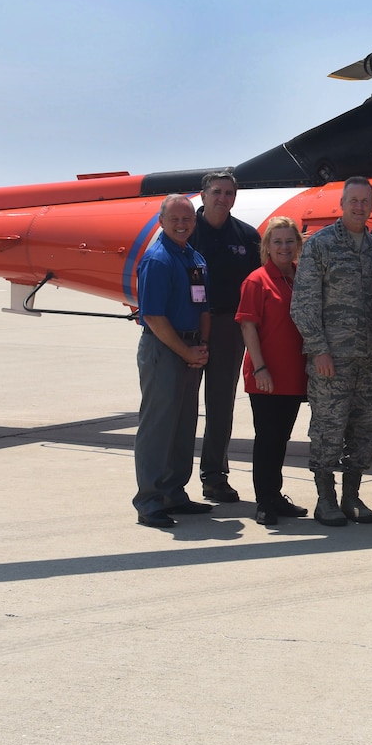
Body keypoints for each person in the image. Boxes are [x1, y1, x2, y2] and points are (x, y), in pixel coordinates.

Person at [293, 177, 372, 526]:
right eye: (354, 200)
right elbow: (303, 303)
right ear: (342, 203)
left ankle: (352, 496)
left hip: (369, 358)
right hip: (331, 358)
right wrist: (318, 350)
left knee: (365, 429)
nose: (359, 207)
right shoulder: (320, 245)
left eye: (365, 201)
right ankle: (325, 498)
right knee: (328, 429)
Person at [132, 194, 212, 529]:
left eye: (188, 219)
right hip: (165, 350)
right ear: (162, 221)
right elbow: (153, 316)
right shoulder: (159, 259)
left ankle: (173, 493)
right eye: (175, 219)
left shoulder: (193, 257)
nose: (182, 225)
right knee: (158, 427)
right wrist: (186, 351)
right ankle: (149, 501)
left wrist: (202, 346)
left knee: (182, 426)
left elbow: (203, 304)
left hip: (190, 350)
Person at [189, 169, 262, 505]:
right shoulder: (184, 232)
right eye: (216, 192)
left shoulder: (246, 236)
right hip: (186, 329)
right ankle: (171, 480)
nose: (223, 198)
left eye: (229, 193)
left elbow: (259, 283)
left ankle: (215, 478)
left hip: (227, 330)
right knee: (181, 407)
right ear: (203, 195)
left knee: (220, 407)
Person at [236, 215, 311, 525]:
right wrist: (261, 368)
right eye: (277, 241)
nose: (283, 247)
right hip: (266, 375)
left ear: (298, 245)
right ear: (267, 246)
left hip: (294, 375)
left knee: (281, 439)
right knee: (267, 439)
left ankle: (275, 495)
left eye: (289, 241)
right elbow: (248, 326)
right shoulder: (257, 280)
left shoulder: (300, 277)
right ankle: (265, 501)